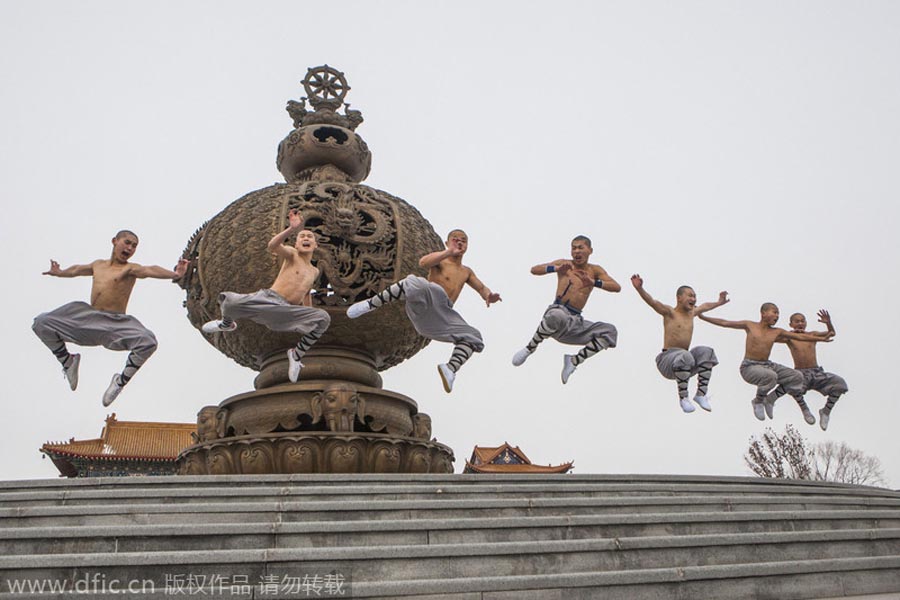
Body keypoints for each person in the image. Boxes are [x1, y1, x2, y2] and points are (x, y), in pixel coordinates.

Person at [32, 230, 189, 406]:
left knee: (148, 341)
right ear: (115, 241)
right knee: (41, 322)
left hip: (115, 323)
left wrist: (175, 274)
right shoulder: (98, 265)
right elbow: (77, 269)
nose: (130, 248)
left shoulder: (130, 268)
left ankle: (119, 382)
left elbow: (149, 270)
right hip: (89, 319)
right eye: (127, 243)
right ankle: (68, 362)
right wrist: (59, 272)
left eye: (134, 246)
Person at [347, 229, 501, 393]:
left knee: (474, 337)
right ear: (447, 242)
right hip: (427, 299)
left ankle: (450, 368)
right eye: (455, 239)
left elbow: (481, 287)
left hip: (440, 317)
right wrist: (448, 252)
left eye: (463, 240)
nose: (460, 242)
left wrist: (488, 295)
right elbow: (423, 263)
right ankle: (370, 304)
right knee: (414, 282)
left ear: (467, 246)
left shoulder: (466, 271)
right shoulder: (441, 260)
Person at [202, 209, 331, 384]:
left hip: (285, 312)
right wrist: (291, 229)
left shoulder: (314, 271)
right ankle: (226, 324)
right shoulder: (292, 255)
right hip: (268, 299)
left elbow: (306, 293)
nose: (306, 238)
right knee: (228, 300)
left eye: (309, 237)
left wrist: (306, 318)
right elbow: (273, 246)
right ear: (297, 243)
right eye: (302, 236)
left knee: (323, 318)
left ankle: (296, 354)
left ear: (315, 245)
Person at [699, 303, 833, 423]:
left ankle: (770, 400)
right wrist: (703, 317)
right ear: (763, 313)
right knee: (771, 376)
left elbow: (801, 336)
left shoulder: (777, 331)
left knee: (797, 376)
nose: (777, 315)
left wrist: (821, 339)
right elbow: (725, 322)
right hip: (750, 366)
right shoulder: (750, 325)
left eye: (778, 313)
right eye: (774, 312)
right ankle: (758, 401)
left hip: (767, 364)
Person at [511, 235, 620, 383]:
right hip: (558, 312)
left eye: (580, 248)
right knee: (557, 315)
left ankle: (574, 361)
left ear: (590, 250)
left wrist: (593, 282)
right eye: (573, 248)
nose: (576, 251)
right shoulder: (565, 264)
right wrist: (556, 268)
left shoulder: (595, 270)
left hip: (575, 323)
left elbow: (616, 287)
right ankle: (530, 347)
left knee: (610, 331)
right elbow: (534, 269)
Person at [631, 275, 729, 413]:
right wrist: (640, 289)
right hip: (668, 361)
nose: (693, 299)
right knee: (686, 355)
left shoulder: (692, 313)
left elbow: (705, 306)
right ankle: (684, 398)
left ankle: (701, 394)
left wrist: (719, 302)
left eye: (695, 296)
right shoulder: (670, 312)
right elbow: (652, 302)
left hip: (684, 363)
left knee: (707, 351)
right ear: (679, 298)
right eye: (690, 296)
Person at [764, 310, 848, 431]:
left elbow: (831, 333)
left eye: (802, 321)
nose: (800, 323)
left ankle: (825, 411)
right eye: (797, 321)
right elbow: (771, 337)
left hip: (816, 372)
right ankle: (805, 410)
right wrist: (770, 325)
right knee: (792, 384)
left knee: (840, 384)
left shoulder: (811, 335)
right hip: (800, 373)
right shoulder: (790, 337)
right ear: (791, 324)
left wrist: (828, 323)